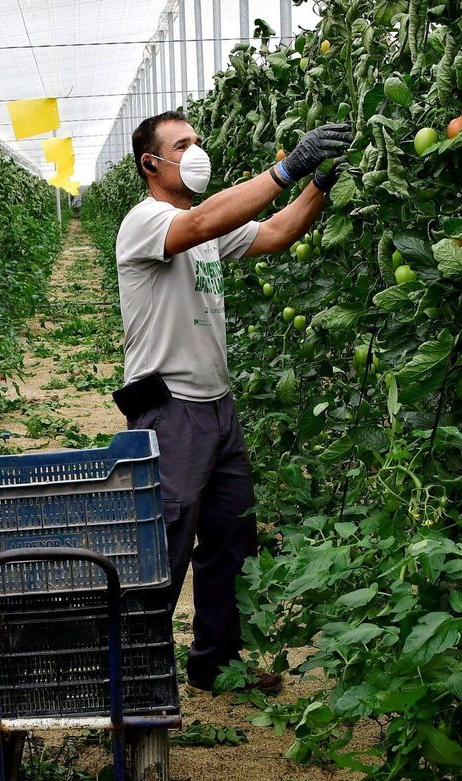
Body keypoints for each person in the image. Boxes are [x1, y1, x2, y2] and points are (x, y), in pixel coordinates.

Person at [113, 110, 352, 694]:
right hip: (170, 411)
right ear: (152, 163)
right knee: (162, 544)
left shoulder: (210, 225)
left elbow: (275, 234)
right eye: (182, 144)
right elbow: (197, 225)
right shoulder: (147, 221)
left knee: (230, 540)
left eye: (197, 140)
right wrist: (285, 168)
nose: (196, 150)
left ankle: (216, 664)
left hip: (218, 409)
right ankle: (133, 676)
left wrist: (318, 184)